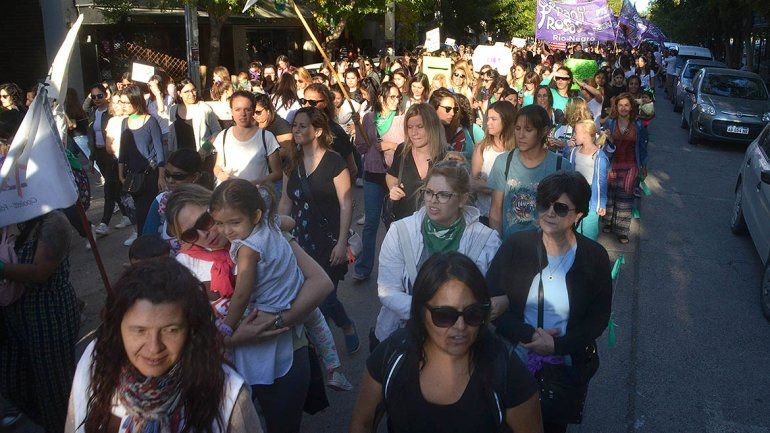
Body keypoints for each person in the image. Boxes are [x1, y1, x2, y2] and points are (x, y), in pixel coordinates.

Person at [167, 184, 334, 433]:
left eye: (206, 220)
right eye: (191, 234)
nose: (204, 234)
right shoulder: (183, 267)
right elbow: (181, 335)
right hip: (222, 370)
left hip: (284, 354)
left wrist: (278, 321)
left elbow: (321, 283)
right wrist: (231, 340)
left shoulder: (265, 237)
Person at [350, 252, 542, 433]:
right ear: (420, 311)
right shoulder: (393, 355)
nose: (460, 326)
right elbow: (362, 423)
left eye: (473, 313)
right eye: (444, 315)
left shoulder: (506, 372)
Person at [65, 258, 263, 433]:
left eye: (171, 330)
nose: (154, 348)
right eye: (139, 330)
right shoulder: (97, 363)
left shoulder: (227, 394)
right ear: (118, 329)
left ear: (191, 329)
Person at [486, 171, 613, 433]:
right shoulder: (516, 246)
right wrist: (530, 335)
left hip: (563, 370)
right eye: (544, 203)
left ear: (578, 215)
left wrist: (557, 345)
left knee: (553, 426)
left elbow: (597, 319)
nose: (549, 212)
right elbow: (493, 305)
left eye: (561, 207)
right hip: (514, 360)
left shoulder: (594, 258)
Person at [209, 179, 352, 390]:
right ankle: (334, 368)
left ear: (255, 215)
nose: (227, 231)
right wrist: (272, 218)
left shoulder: (247, 249)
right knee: (318, 323)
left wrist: (228, 327)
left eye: (234, 222)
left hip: (271, 307)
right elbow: (290, 223)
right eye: (219, 223)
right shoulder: (268, 224)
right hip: (296, 293)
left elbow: (241, 295)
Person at [374, 159, 504, 344]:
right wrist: (433, 315)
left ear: (462, 199)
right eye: (429, 192)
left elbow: (492, 293)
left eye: (443, 195)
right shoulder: (400, 231)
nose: (433, 200)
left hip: (460, 338)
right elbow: (388, 290)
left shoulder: (486, 240)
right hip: (406, 333)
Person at [278, 107, 361, 354]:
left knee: (322, 296)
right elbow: (285, 200)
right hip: (300, 240)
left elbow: (346, 202)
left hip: (329, 238)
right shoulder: (291, 163)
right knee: (313, 294)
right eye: (295, 126)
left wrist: (341, 242)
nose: (296, 130)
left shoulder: (334, 162)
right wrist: (278, 231)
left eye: (303, 126)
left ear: (318, 130)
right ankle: (342, 326)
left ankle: (323, 345)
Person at [1, 211, 80, 433]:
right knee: (11, 380)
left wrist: (2, 269)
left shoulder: (54, 221)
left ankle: (66, 426)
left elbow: (40, 273)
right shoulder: (11, 219)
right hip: (14, 313)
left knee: (54, 388)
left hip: (48, 310)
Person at [488, 104, 573, 239]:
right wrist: (497, 244)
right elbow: (495, 209)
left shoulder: (561, 167)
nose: (521, 135)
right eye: (517, 128)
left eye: (528, 130)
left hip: (544, 248)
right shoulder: (503, 162)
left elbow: (566, 215)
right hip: (509, 246)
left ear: (544, 131)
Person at [351, 81, 404, 281]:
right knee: (371, 223)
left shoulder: (402, 119)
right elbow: (362, 148)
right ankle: (364, 267)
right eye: (392, 96)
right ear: (381, 97)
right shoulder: (368, 118)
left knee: (393, 224)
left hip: (395, 175)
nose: (396, 100)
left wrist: (391, 145)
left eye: (398, 96)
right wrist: (357, 126)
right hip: (373, 174)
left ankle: (395, 268)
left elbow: (409, 146)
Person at [117, 84, 167, 235]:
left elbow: (159, 151)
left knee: (150, 215)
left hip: (150, 176)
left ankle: (151, 244)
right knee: (138, 215)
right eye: (121, 102)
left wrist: (161, 176)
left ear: (136, 101)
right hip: (132, 177)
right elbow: (122, 150)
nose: (123, 106)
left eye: (126, 102)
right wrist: (120, 174)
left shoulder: (150, 121)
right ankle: (143, 243)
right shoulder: (125, 122)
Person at [387, 103, 446, 223]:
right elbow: (391, 174)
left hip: (436, 228)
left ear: (432, 126)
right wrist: (393, 187)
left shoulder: (446, 157)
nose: (414, 132)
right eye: (409, 127)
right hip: (404, 224)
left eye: (420, 126)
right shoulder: (402, 151)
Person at [602, 93, 648, 244]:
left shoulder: (638, 125)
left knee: (626, 197)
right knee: (610, 195)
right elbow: (602, 144)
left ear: (631, 107)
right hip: (612, 164)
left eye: (626, 105)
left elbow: (642, 146)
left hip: (631, 165)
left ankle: (622, 231)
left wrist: (644, 165)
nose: (623, 108)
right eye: (620, 105)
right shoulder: (610, 122)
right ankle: (608, 222)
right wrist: (605, 138)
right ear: (616, 107)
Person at [213, 91, 282, 186]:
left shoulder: (266, 137)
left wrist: (253, 183)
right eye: (237, 109)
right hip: (229, 195)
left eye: (247, 109)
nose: (243, 114)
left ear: (253, 110)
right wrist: (222, 175)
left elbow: (277, 173)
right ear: (231, 111)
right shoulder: (223, 136)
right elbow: (217, 166)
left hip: (256, 195)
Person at [141, 148, 203, 255]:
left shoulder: (208, 204)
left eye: (178, 176)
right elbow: (148, 241)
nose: (170, 180)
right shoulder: (161, 201)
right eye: (167, 174)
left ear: (195, 177)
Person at [471, 100, 517, 225]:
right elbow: (473, 183)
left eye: (493, 119)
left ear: (506, 120)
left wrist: (487, 185)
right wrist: (501, 188)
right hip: (484, 215)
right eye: (488, 118)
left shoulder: (518, 149)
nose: (488, 123)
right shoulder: (482, 147)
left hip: (511, 217)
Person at [563, 120, 610, 241]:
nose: (574, 135)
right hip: (576, 197)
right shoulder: (574, 151)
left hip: (591, 199)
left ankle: (590, 255)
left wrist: (601, 203)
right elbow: (568, 171)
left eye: (576, 133)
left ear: (585, 134)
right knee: (575, 229)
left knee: (589, 230)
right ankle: (578, 254)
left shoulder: (599, 156)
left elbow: (602, 182)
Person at [302, 83, 358, 179]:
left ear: (325, 103)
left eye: (312, 102)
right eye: (304, 101)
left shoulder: (335, 131)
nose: (307, 105)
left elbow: (352, 169)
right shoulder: (299, 127)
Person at [167, 78, 222, 155]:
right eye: (186, 92)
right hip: (180, 159)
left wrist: (205, 148)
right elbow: (171, 134)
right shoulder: (173, 109)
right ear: (179, 93)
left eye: (193, 90)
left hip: (201, 157)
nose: (192, 94)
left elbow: (217, 131)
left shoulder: (204, 108)